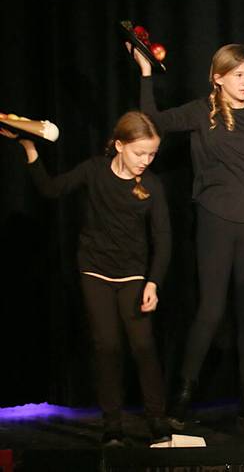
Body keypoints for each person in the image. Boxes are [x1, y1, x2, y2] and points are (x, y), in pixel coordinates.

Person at [129, 43, 244, 430]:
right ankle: (182, 398)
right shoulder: (202, 112)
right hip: (215, 220)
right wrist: (146, 74)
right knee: (211, 310)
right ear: (218, 77)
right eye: (238, 75)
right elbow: (151, 120)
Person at [3, 112, 171, 447]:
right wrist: (29, 148)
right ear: (120, 145)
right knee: (107, 347)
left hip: (133, 273)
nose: (145, 161)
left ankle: (157, 420)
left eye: (152, 154)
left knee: (142, 345)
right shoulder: (94, 170)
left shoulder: (151, 186)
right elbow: (52, 189)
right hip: (95, 271)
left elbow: (163, 240)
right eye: (140, 153)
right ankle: (113, 426)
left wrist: (153, 283)